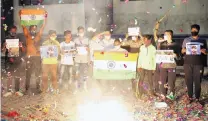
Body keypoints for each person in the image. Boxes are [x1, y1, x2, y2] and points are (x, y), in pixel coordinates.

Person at [181, 24, 207, 103]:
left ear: (198, 31)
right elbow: (182, 51)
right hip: (187, 63)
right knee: (188, 80)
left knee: (198, 81)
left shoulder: (202, 40)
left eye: (195, 30)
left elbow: (206, 52)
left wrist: (203, 51)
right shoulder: (186, 40)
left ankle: (197, 98)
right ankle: (190, 97)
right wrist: (184, 50)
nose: (193, 32)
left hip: (198, 64)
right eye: (192, 30)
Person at [22, 18, 46, 94]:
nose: (33, 30)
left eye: (35, 28)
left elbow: (42, 27)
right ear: (30, 29)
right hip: (29, 57)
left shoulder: (38, 36)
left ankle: (38, 88)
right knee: (28, 73)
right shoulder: (27, 35)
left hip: (37, 57)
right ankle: (26, 89)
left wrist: (44, 19)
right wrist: (21, 17)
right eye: (32, 28)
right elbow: (23, 27)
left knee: (37, 73)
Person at [2, 26, 26, 97]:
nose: (13, 33)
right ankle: (9, 91)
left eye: (14, 31)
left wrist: (21, 46)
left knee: (18, 75)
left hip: (18, 60)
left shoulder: (19, 39)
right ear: (9, 31)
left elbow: (24, 51)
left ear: (16, 31)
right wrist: (4, 47)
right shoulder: (6, 39)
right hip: (9, 61)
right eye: (12, 31)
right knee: (9, 76)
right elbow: (3, 51)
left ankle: (18, 90)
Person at [159, 30, 180, 101]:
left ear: (170, 35)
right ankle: (163, 95)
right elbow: (159, 54)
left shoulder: (176, 44)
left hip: (172, 65)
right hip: (163, 65)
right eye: (164, 34)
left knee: (171, 81)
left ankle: (171, 96)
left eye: (166, 34)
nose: (164, 36)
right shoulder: (162, 44)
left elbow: (180, 57)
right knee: (162, 81)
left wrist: (176, 55)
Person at [41, 30, 60, 94]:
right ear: (49, 36)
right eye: (52, 35)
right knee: (45, 76)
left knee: (54, 76)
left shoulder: (57, 43)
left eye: (54, 35)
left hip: (53, 62)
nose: (53, 36)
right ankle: (44, 90)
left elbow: (58, 52)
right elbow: (42, 52)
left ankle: (55, 89)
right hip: (46, 62)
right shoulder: (45, 43)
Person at [74, 26, 90, 92]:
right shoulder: (75, 40)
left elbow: (89, 50)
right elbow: (74, 48)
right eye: (80, 31)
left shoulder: (87, 39)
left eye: (82, 31)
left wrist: (89, 58)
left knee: (85, 73)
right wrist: (75, 50)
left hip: (85, 58)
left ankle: (85, 87)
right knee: (77, 73)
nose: (81, 32)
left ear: (84, 32)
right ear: (78, 32)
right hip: (77, 58)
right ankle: (77, 88)